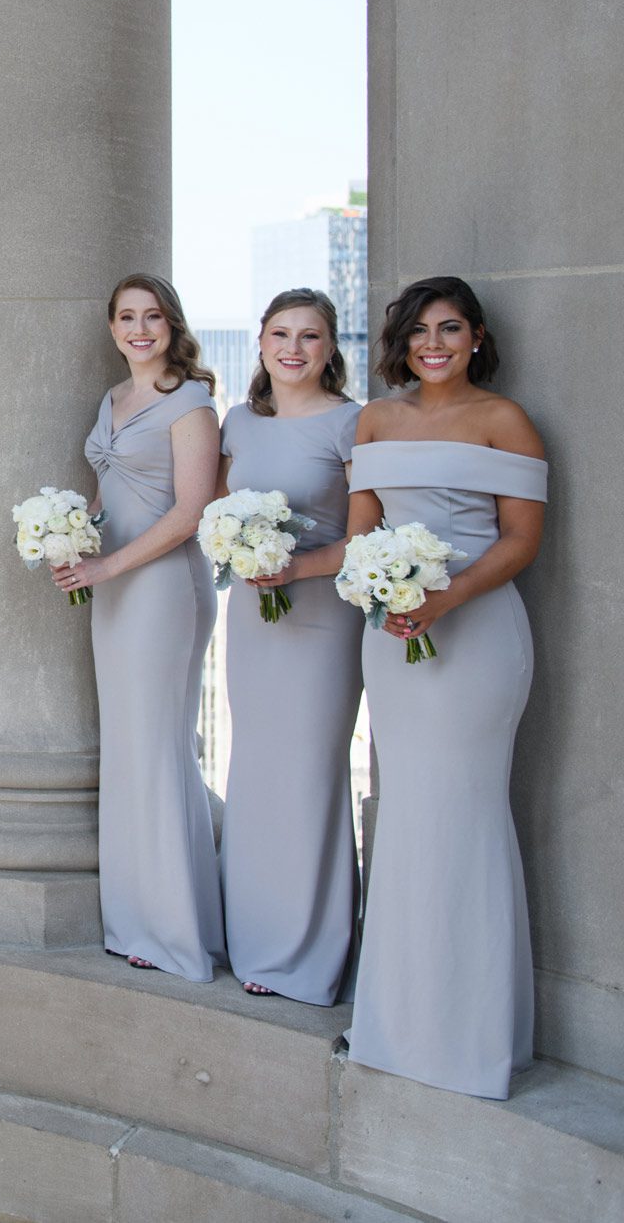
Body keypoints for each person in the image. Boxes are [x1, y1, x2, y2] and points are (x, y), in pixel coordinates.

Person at [347, 275, 546, 1098]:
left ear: (476, 336)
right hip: (392, 639)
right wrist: (383, 592)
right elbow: (362, 533)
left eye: (451, 328)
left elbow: (521, 542)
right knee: (411, 821)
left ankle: (470, 1039)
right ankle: (398, 1024)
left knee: (464, 816)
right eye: (422, 329)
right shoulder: (375, 420)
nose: (435, 342)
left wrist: (446, 596)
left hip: (477, 636)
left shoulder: (506, 421)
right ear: (403, 340)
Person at [55, 273, 224, 980]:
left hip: (160, 587)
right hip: (115, 584)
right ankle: (134, 921)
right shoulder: (114, 398)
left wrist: (110, 567)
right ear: (113, 328)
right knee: (129, 749)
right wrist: (73, 535)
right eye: (126, 317)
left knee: (158, 748)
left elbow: (189, 513)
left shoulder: (192, 403)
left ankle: (176, 932)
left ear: (171, 323)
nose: (139, 329)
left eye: (152, 316)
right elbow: (110, 490)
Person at [216, 289, 361, 1002]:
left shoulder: (352, 424)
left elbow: (367, 537)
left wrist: (294, 566)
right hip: (249, 619)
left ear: (331, 348)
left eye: (310, 336)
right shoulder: (238, 421)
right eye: (281, 334)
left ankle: (310, 955)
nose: (294, 348)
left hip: (322, 620)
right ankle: (254, 938)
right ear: (262, 342)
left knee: (311, 774)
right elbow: (213, 513)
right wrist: (239, 555)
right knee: (259, 770)